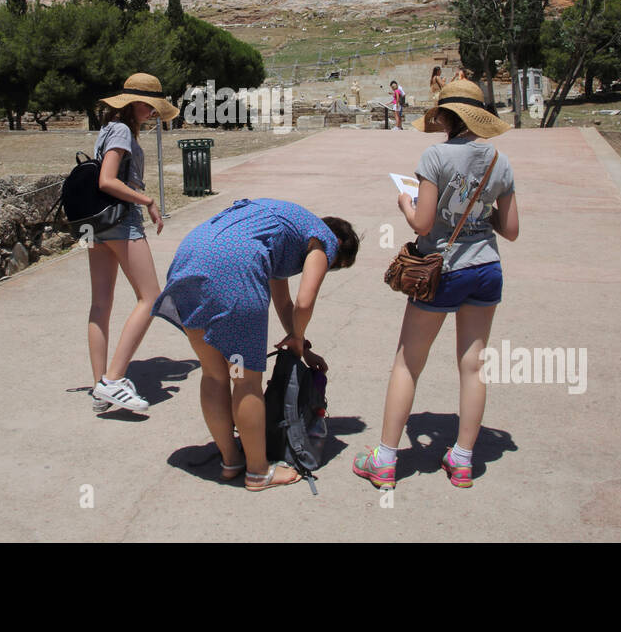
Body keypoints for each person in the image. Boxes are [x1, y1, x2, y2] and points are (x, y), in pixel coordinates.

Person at [354, 80, 519, 490]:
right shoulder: (500, 160)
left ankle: (386, 460)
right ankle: (463, 460)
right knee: (474, 363)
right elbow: (511, 229)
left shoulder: (435, 155)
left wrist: (405, 205)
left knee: (409, 361)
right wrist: (479, 215)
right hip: (487, 267)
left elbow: (423, 224)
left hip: (442, 269)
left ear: (444, 117)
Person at [152, 199, 359, 490]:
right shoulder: (323, 240)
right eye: (334, 265)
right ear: (337, 244)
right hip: (234, 273)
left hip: (190, 259)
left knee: (214, 373)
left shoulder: (280, 228)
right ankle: (258, 471)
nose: (328, 267)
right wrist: (297, 338)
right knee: (245, 381)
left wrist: (302, 345)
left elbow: (284, 302)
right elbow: (304, 302)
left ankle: (231, 460)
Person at [85, 73, 178, 413]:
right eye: (151, 107)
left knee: (100, 304)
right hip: (121, 223)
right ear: (136, 104)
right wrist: (147, 201)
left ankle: (100, 388)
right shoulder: (122, 131)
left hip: (96, 226)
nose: (153, 113)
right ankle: (113, 379)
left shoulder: (108, 129)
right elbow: (107, 180)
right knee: (151, 297)